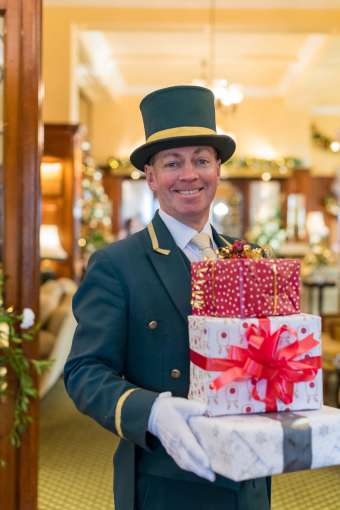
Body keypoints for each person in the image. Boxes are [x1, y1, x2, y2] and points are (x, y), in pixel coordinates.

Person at [64, 85, 271, 510]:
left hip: (250, 476)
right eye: (173, 163)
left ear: (218, 169)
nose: (189, 174)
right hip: (168, 482)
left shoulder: (253, 256)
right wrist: (152, 411)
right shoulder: (117, 263)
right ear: (152, 177)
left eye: (201, 160)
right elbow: (85, 371)